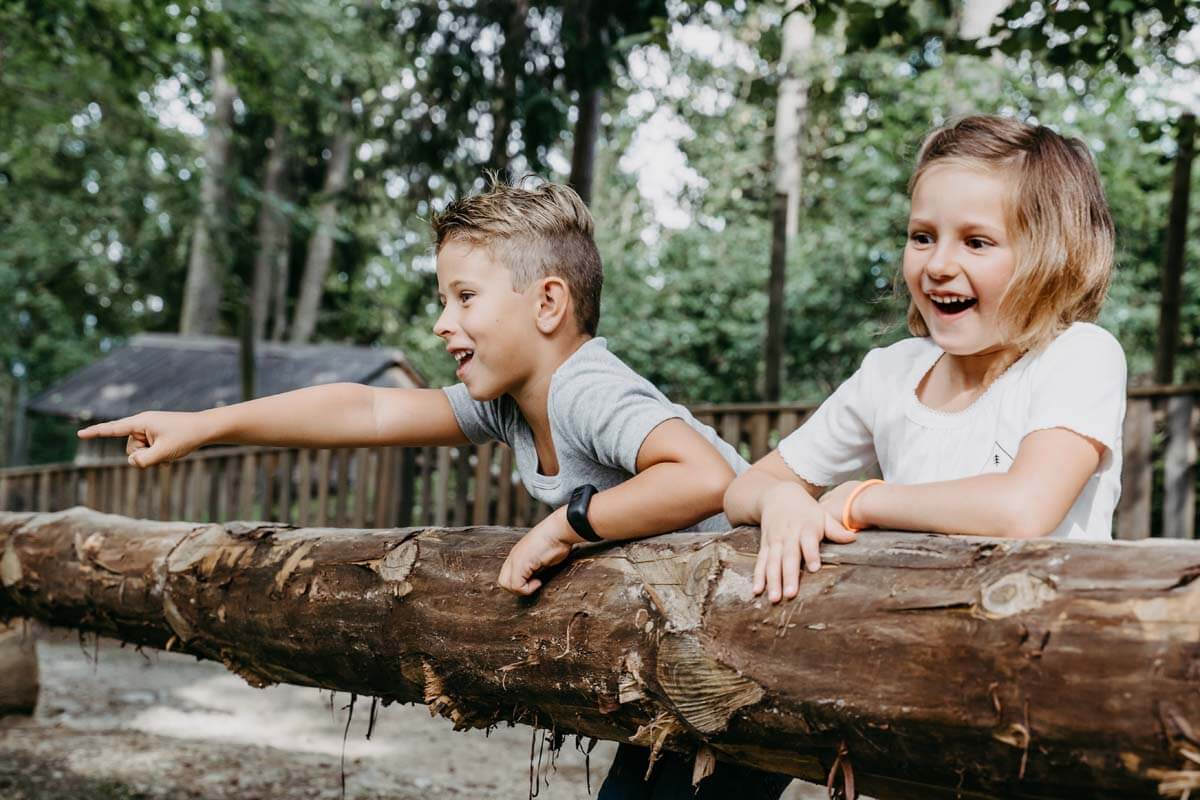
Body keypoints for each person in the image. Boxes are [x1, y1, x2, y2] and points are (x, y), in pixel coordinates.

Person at [79, 177, 793, 799]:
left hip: (760, 641)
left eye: (465, 297)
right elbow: (370, 408)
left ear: (548, 304)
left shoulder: (585, 388)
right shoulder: (509, 400)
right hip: (692, 656)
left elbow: (707, 477)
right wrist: (205, 424)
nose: (442, 322)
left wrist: (564, 526)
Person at [725, 115, 1126, 605]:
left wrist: (862, 500)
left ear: (1052, 258)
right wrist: (780, 498)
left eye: (976, 242)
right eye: (922, 237)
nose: (937, 265)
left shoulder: (1078, 355)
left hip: (1051, 647)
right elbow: (745, 489)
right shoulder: (889, 374)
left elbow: (1023, 510)